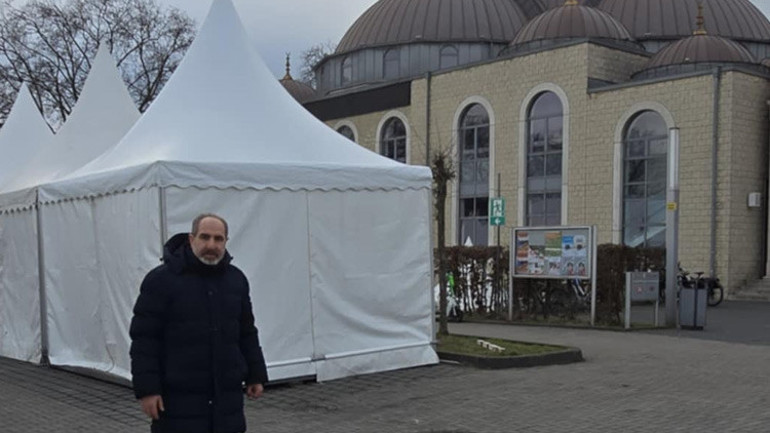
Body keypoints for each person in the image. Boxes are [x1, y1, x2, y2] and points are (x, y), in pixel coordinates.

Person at [130, 213, 268, 433]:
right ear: (191, 239)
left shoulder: (236, 280)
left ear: (225, 242)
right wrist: (148, 390)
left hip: (227, 401)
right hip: (178, 401)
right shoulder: (161, 281)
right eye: (205, 237)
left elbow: (246, 332)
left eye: (218, 238)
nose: (211, 245)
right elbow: (145, 339)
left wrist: (255, 374)